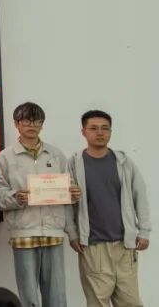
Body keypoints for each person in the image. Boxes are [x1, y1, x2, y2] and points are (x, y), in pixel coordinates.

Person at [0, 102, 79, 307]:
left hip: (53, 231)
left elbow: (67, 195)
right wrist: (17, 198)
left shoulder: (56, 155)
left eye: (37, 121)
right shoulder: (5, 157)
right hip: (23, 232)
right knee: (28, 295)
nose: (32, 125)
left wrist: (73, 195)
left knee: (57, 295)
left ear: (42, 124)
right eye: (26, 121)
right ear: (16, 124)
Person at [67, 110, 150, 307]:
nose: (100, 133)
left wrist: (144, 231)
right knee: (97, 302)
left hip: (125, 245)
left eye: (105, 128)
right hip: (93, 246)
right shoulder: (74, 163)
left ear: (111, 132)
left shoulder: (124, 162)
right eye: (93, 128)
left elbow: (140, 196)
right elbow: (66, 203)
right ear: (83, 132)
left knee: (131, 302)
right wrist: (72, 234)